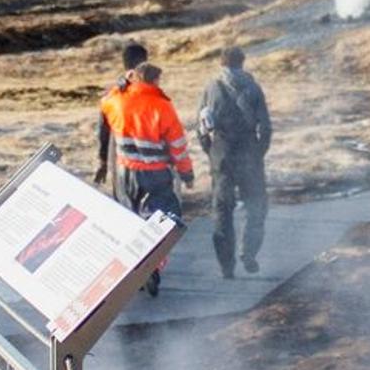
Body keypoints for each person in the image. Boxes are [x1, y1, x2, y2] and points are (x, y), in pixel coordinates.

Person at [94, 43, 196, 288]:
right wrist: (187, 173)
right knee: (165, 220)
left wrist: (102, 163)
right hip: (155, 173)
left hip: (124, 171)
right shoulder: (161, 105)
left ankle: (136, 269)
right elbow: (178, 145)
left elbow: (104, 117)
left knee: (130, 219)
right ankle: (151, 266)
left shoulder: (115, 98)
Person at [192, 45, 274, 279]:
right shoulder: (253, 88)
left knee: (222, 211)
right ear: (242, 62)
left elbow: (200, 127)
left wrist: (211, 151)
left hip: (222, 153)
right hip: (249, 152)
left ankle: (226, 267)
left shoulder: (211, 87)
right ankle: (248, 254)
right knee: (256, 207)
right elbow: (265, 127)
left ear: (221, 63)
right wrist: (259, 152)